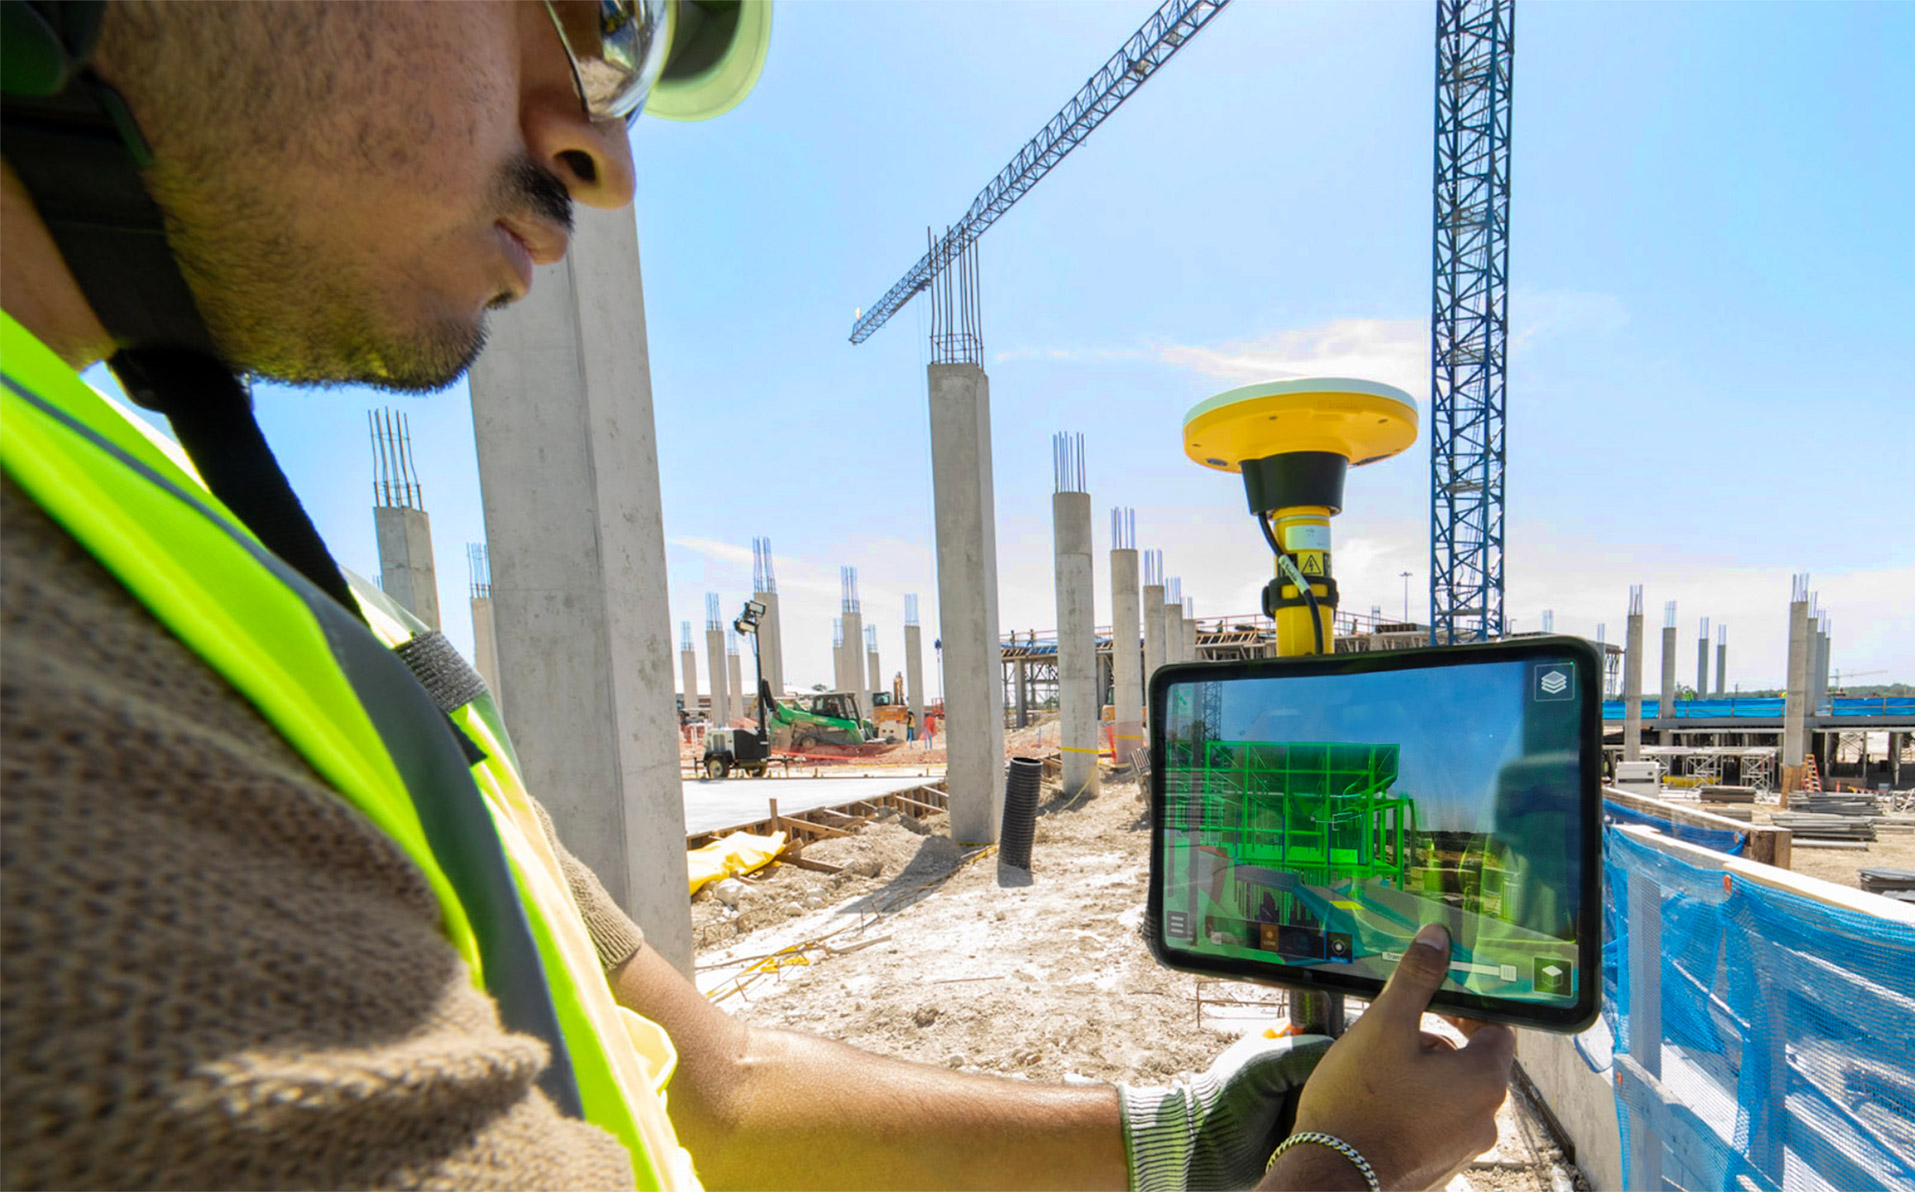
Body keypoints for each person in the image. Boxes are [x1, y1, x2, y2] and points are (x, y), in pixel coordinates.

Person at [0, 2, 1515, 1188]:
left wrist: (1183, 1138)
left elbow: (716, 1096)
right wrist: (1344, 1167)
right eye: (591, 10)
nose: (601, 152)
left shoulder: (260, 601)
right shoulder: (57, 703)